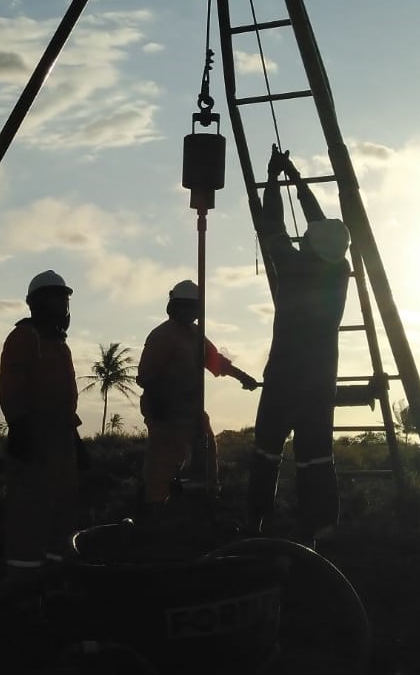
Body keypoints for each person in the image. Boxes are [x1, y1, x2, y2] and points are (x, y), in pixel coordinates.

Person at [248, 145, 351, 543]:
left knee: (266, 453)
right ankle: (320, 528)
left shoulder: (291, 268)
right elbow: (320, 223)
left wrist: (275, 178)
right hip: (319, 382)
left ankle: (257, 522)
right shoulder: (338, 270)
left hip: (283, 379)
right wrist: (294, 174)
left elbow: (272, 223)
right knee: (316, 457)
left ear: (309, 244)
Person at [0, 270, 87, 594]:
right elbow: (12, 387)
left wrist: (75, 439)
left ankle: (55, 576)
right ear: (36, 303)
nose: (62, 305)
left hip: (60, 442)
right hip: (34, 438)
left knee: (62, 507)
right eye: (55, 298)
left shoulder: (59, 345)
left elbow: (64, 398)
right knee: (30, 511)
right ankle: (23, 584)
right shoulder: (25, 338)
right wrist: (20, 427)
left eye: (64, 299)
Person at [137, 279, 259, 509]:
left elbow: (217, 362)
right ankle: (155, 506)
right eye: (184, 306)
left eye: (192, 306)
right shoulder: (162, 336)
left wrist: (243, 377)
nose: (188, 311)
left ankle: (207, 499)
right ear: (174, 307)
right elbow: (145, 376)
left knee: (205, 450)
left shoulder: (195, 335)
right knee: (163, 459)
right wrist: (160, 402)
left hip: (190, 408)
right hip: (164, 408)